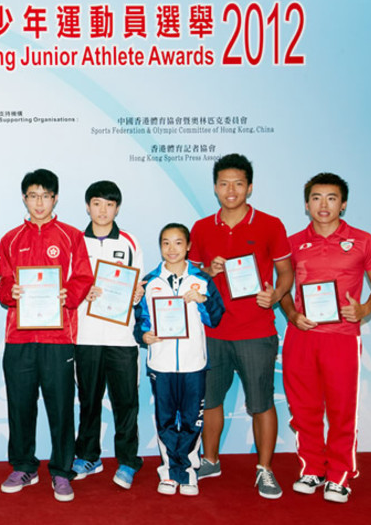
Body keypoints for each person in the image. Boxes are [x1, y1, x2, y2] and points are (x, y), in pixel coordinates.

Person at [188, 153, 293, 499]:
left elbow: (286, 271)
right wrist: (209, 272)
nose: (230, 190)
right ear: (215, 187)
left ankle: (265, 470)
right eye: (223, 183)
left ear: (249, 186)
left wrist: (275, 295)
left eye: (237, 183)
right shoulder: (202, 227)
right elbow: (190, 277)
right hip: (214, 331)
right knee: (212, 400)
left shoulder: (270, 224)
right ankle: (210, 460)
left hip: (256, 331)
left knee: (261, 402)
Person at [279, 173, 371, 504]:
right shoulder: (292, 242)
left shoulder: (363, 241)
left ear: (343, 203)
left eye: (330, 198)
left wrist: (365, 308)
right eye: (315, 197)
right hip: (301, 336)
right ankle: (312, 468)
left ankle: (341, 474)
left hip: (341, 337)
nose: (323, 205)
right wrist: (292, 314)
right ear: (306, 204)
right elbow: (283, 288)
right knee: (304, 408)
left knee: (341, 409)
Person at [0, 169, 94, 503]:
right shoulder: (10, 239)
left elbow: (83, 276)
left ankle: (62, 472)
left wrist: (71, 294)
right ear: (24, 198)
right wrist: (11, 292)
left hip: (58, 338)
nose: (39, 202)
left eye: (46, 196)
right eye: (33, 195)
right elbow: (2, 283)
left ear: (55, 199)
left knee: (61, 407)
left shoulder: (71, 236)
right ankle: (24, 465)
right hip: (19, 339)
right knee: (20, 406)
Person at [137, 223, 224, 496]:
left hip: (193, 363)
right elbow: (141, 323)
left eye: (178, 243)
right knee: (165, 419)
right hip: (161, 364)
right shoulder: (149, 282)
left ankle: (186, 470)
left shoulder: (202, 279)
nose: (171, 249)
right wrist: (144, 336)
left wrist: (202, 300)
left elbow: (217, 317)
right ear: (160, 246)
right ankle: (168, 471)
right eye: (165, 243)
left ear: (188, 246)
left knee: (190, 419)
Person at [73, 180, 146, 488]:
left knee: (125, 401)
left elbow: (139, 284)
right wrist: (81, 293)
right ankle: (88, 455)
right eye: (97, 203)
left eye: (110, 204)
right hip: (86, 336)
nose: (103, 210)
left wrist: (136, 294)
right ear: (87, 206)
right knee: (88, 400)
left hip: (121, 338)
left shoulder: (129, 242)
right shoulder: (75, 241)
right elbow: (67, 284)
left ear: (117, 208)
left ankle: (128, 461)